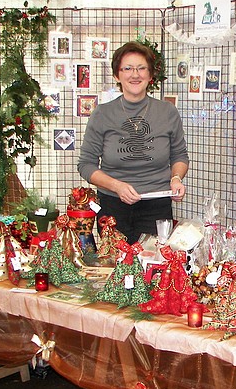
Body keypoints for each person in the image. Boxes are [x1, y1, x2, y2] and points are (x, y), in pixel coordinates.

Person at [78, 41, 189, 243]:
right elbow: (86, 165)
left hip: (157, 206)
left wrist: (176, 179)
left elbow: (179, 156)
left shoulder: (167, 112)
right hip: (113, 206)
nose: (134, 74)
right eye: (127, 68)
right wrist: (116, 186)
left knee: (152, 266)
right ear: (117, 75)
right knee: (115, 267)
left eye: (141, 68)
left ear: (150, 75)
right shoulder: (102, 114)